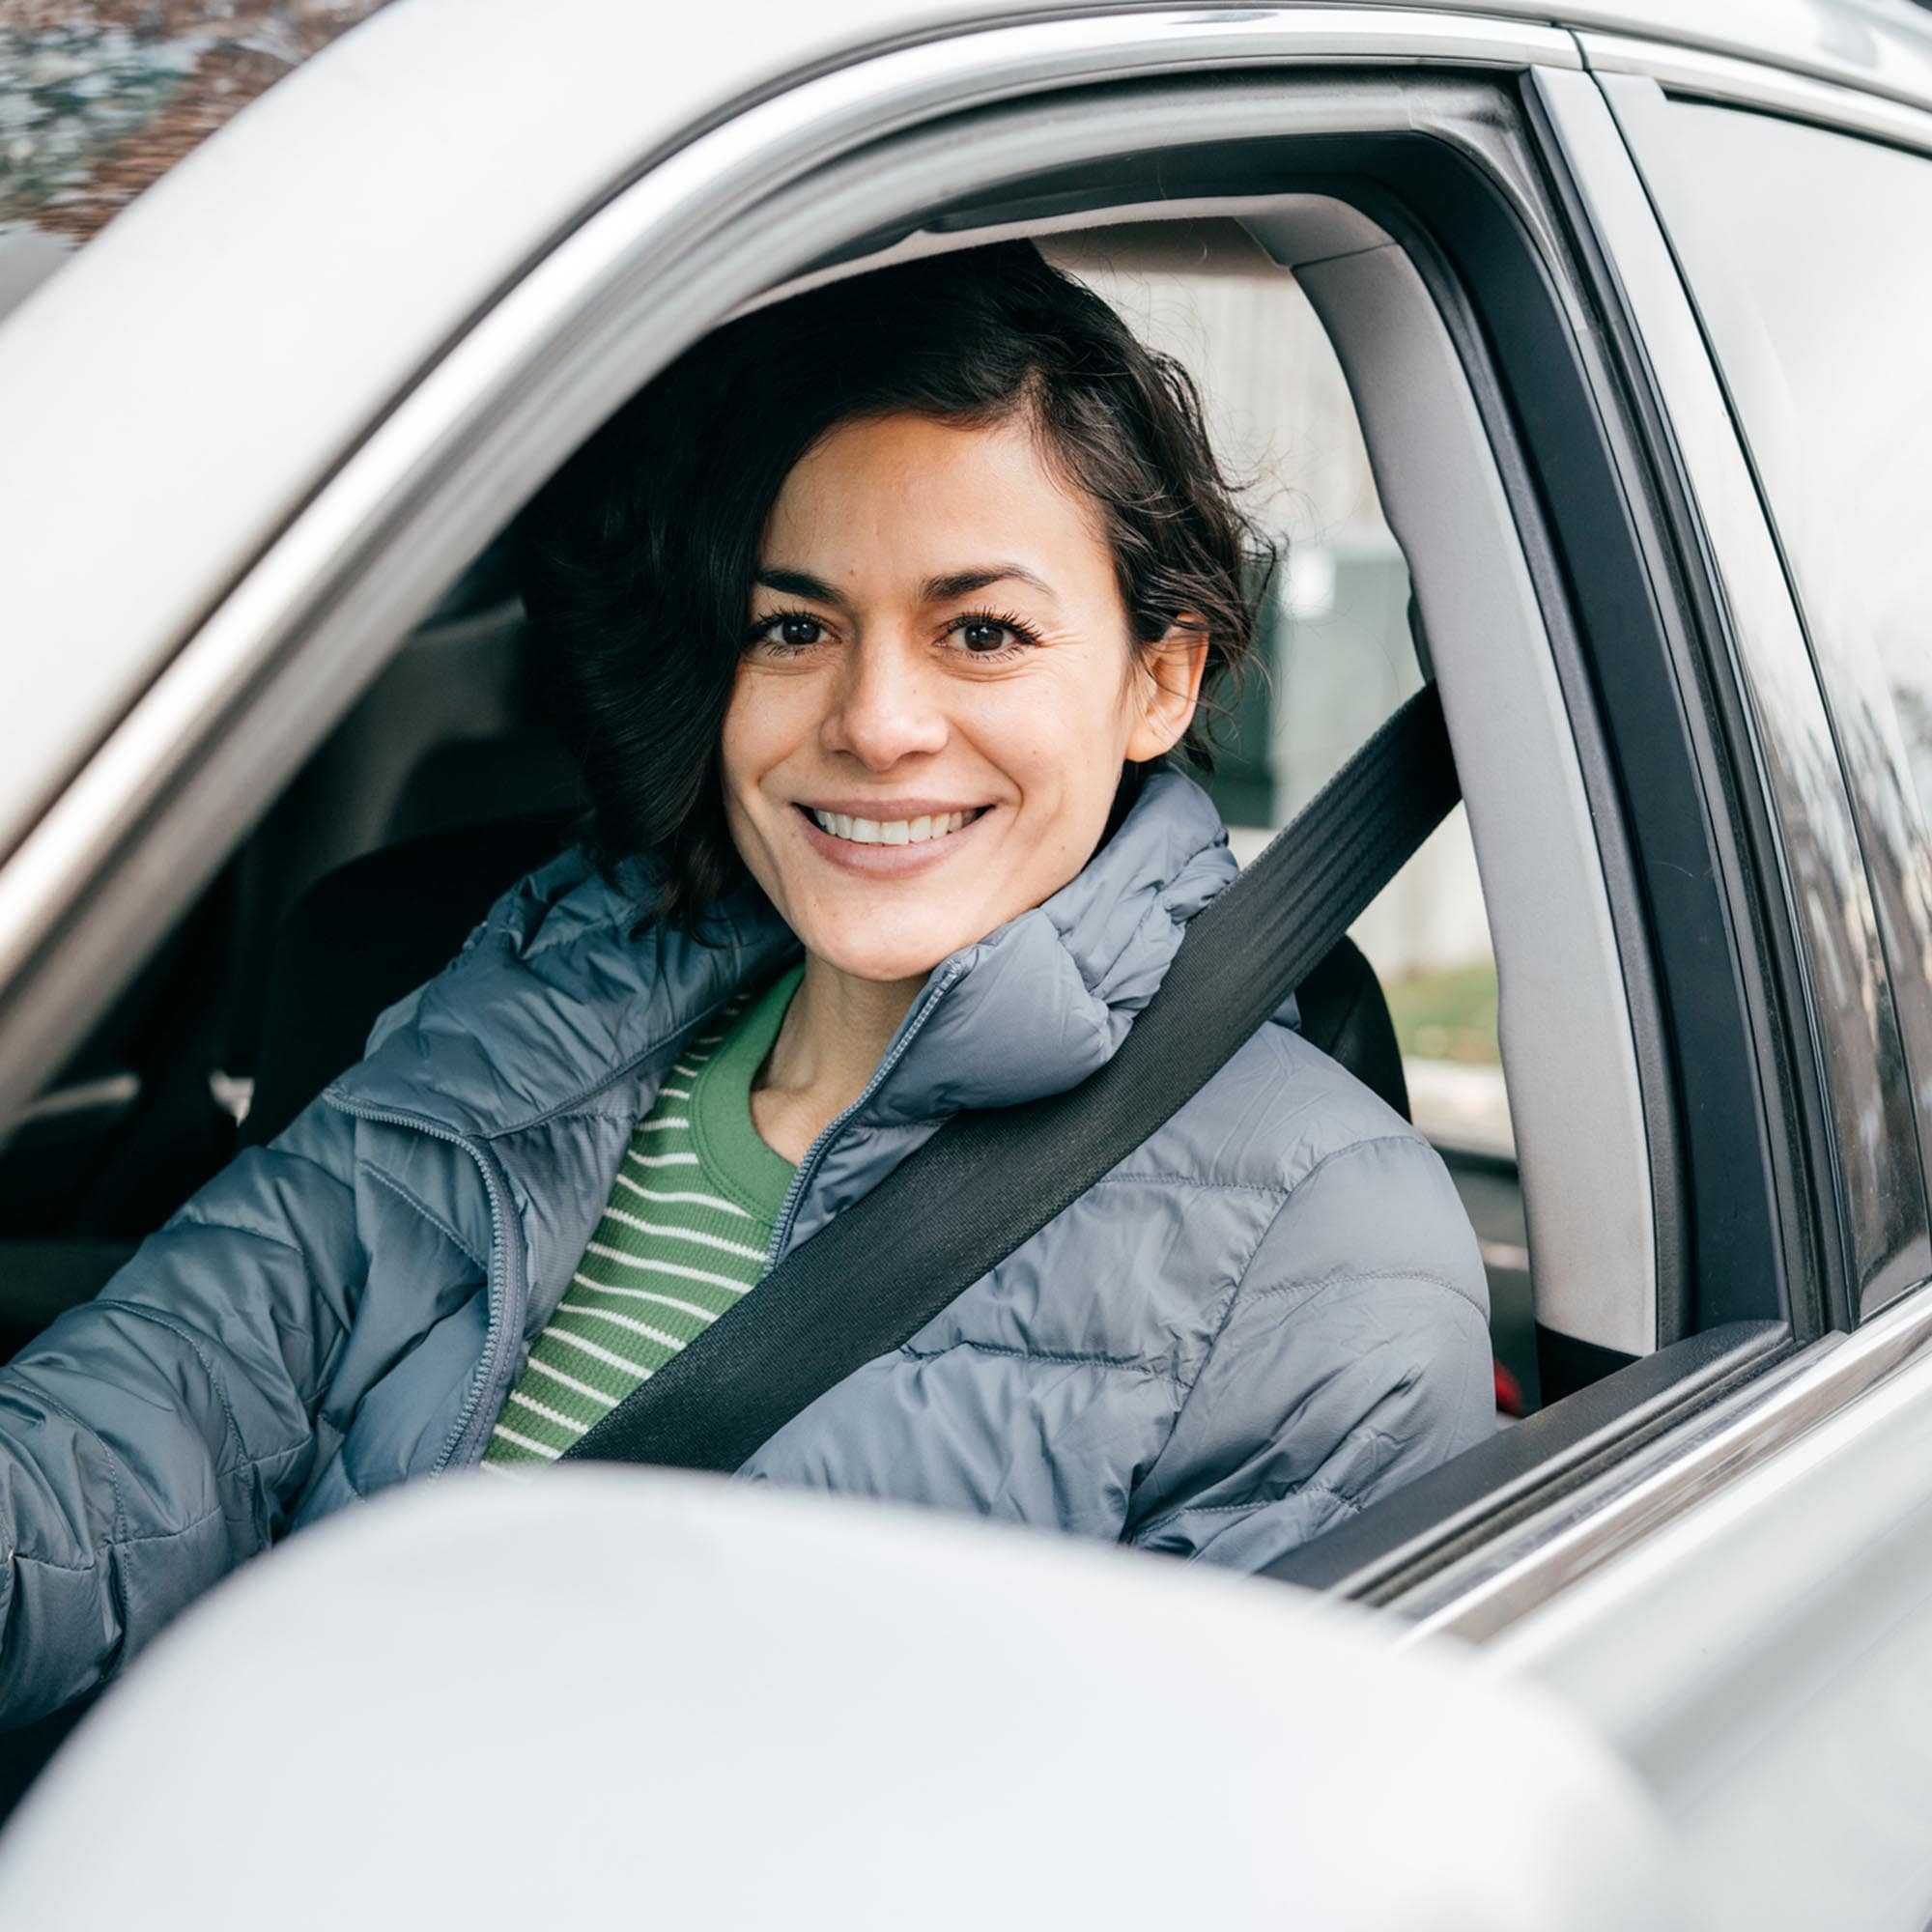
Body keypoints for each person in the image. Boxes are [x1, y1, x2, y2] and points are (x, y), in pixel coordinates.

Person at [0, 242, 1492, 1726]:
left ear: (1159, 677)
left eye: (982, 633)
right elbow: (150, 1420)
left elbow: (1222, 1834)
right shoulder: (531, 1006)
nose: (877, 721)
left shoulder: (1322, 1244)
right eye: (795, 629)